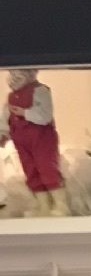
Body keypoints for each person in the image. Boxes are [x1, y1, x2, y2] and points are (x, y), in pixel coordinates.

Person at [0, 70, 67, 215]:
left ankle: (61, 204)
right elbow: (5, 118)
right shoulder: (11, 97)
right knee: (30, 171)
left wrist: (24, 113)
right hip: (21, 140)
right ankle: (43, 204)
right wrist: (3, 134)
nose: (14, 78)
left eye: (18, 74)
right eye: (12, 74)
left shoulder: (40, 91)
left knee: (47, 168)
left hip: (41, 138)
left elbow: (45, 115)